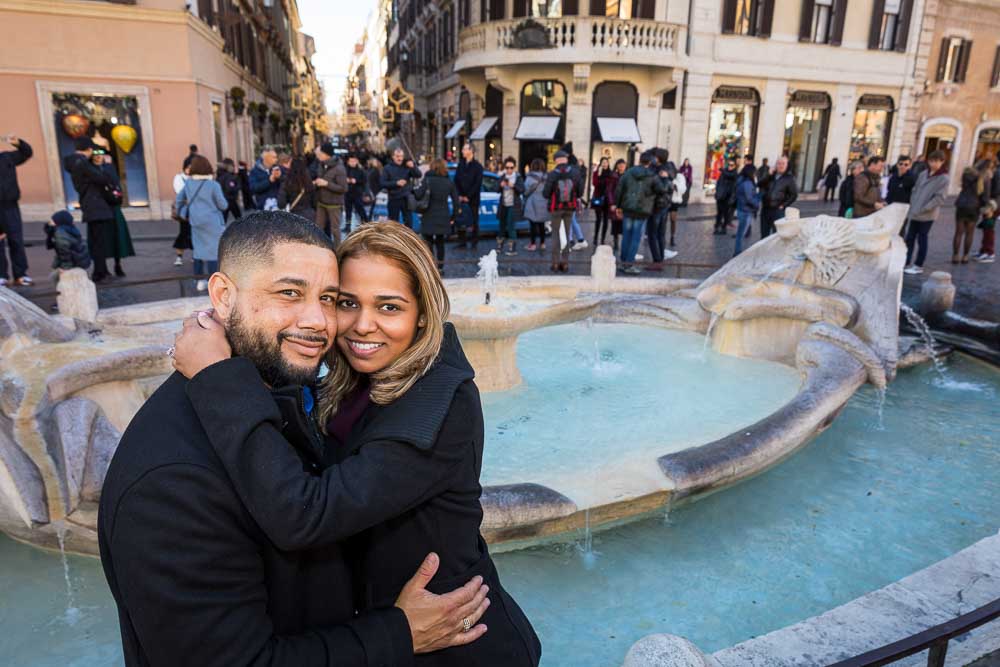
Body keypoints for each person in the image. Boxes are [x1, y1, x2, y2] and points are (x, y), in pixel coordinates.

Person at [101, 212, 492, 667]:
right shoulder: (170, 483)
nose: (320, 321)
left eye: (327, 298)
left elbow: (308, 512)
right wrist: (395, 634)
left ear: (423, 315)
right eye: (290, 293)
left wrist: (215, 375)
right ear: (223, 296)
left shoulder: (431, 401)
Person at [64, 137, 114, 282]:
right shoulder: (83, 163)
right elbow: (102, 179)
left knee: (97, 240)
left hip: (90, 205)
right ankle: (100, 273)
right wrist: (107, 166)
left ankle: (101, 271)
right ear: (89, 149)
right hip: (96, 206)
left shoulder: (74, 163)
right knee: (99, 242)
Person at [175, 155, 227, 292]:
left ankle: (199, 280)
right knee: (213, 252)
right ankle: (212, 281)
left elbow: (179, 199)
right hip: (213, 223)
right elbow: (223, 205)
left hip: (196, 221)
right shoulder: (213, 185)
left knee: (198, 251)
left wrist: (182, 213)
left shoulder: (188, 184)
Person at [614, 152, 665, 275]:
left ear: (640, 160)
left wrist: (619, 206)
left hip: (628, 208)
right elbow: (661, 190)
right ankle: (629, 264)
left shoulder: (629, 172)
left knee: (626, 236)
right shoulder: (653, 175)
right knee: (635, 238)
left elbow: (619, 189)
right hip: (642, 210)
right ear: (649, 162)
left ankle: (623, 263)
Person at [903, 150, 949, 275]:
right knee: (910, 238)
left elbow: (939, 198)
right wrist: (913, 204)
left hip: (927, 214)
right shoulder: (923, 174)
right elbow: (915, 189)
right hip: (915, 211)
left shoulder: (943, 178)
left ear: (942, 162)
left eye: (936, 161)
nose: (933, 164)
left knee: (922, 239)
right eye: (931, 161)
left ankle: (918, 265)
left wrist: (925, 208)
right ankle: (906, 262)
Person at [0, 133, 33, 287]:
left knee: (16, 240)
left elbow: (27, 153)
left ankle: (21, 275)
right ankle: (1, 276)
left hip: (10, 205)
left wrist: (19, 143)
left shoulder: (6, 158)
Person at [414, 158, 460, 271]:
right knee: (440, 242)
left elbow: (418, 195)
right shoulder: (448, 181)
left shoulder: (428, 180)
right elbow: (456, 201)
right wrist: (453, 217)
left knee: (428, 242)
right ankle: (440, 266)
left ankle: (430, 266)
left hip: (428, 215)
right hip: (443, 215)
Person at [542, 150, 583, 273]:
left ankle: (555, 264)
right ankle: (564, 263)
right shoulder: (575, 172)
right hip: (570, 208)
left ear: (556, 160)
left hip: (556, 208)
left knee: (556, 235)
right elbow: (580, 192)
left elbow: (545, 193)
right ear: (566, 159)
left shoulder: (552, 174)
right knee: (566, 234)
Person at [97, 147, 135, 278]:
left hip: (113, 208)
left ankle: (117, 264)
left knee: (116, 238)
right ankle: (104, 268)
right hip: (102, 208)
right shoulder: (94, 168)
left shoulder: (109, 168)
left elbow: (114, 182)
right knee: (104, 239)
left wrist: (108, 166)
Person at [954, 161, 991, 264]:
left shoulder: (966, 174)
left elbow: (963, 187)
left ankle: (955, 255)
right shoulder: (985, 178)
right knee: (969, 233)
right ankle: (965, 256)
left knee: (958, 232)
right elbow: (985, 196)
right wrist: (987, 207)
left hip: (961, 204)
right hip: (974, 207)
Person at [381, 148, 421, 229]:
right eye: (397, 156)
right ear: (393, 157)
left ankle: (407, 239)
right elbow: (382, 183)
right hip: (393, 198)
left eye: (401, 156)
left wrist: (413, 166)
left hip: (406, 198)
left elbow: (418, 175)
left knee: (408, 222)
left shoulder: (407, 166)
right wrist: (396, 183)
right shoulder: (387, 168)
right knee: (393, 223)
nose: (400, 158)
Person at [454, 144, 484, 248]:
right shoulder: (460, 164)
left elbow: (477, 184)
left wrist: (468, 196)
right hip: (461, 199)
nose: (462, 151)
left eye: (464, 149)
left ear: (471, 151)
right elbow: (456, 180)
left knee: (474, 220)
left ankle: (474, 241)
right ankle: (462, 241)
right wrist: (460, 195)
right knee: (461, 220)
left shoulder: (478, 166)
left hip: (473, 199)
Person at [760, 156, 797, 238]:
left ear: (787, 165)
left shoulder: (789, 178)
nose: (781, 165)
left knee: (776, 236)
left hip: (777, 211)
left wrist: (783, 205)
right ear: (775, 165)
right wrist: (768, 175)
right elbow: (760, 184)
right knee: (764, 235)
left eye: (783, 163)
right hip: (765, 209)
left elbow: (794, 195)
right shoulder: (771, 176)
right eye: (779, 163)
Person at [45, 209, 90, 274]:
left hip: (74, 262)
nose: (49, 222)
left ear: (59, 222)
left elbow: (64, 254)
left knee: (57, 277)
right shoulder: (68, 229)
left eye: (52, 220)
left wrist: (65, 269)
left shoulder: (60, 234)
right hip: (79, 260)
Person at [498, 156, 525, 256]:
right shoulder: (502, 176)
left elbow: (522, 189)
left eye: (511, 167)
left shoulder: (518, 177)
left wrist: (513, 186)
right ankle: (500, 246)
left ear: (514, 167)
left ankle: (512, 248)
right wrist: (500, 186)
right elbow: (496, 189)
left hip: (513, 205)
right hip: (503, 204)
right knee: (501, 225)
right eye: (507, 167)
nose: (509, 169)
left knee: (511, 226)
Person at [279, 157, 317, 223]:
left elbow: (281, 204)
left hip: (294, 217)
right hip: (310, 216)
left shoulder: (286, 183)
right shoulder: (309, 183)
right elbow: (315, 202)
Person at [523, 158, 549, 252]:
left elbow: (525, 189)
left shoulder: (530, 177)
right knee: (542, 224)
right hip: (543, 202)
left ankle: (533, 244)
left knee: (533, 225)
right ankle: (542, 243)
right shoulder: (547, 177)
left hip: (532, 202)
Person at [734, 164, 760, 256]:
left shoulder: (741, 180)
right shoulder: (747, 183)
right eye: (754, 172)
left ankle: (737, 252)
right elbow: (749, 198)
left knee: (740, 233)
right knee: (741, 234)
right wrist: (757, 201)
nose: (755, 174)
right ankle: (737, 253)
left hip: (742, 209)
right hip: (745, 210)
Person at [605, 159, 627, 252]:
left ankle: (624, 243)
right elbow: (609, 190)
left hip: (625, 203)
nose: (622, 166)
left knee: (625, 224)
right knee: (615, 223)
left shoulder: (628, 176)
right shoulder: (613, 176)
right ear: (617, 165)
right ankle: (616, 241)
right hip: (615, 202)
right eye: (620, 164)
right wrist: (611, 203)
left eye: (623, 164)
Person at [344, 153, 370, 231]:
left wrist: (356, 181)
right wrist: (346, 180)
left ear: (357, 161)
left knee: (360, 210)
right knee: (348, 211)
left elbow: (365, 181)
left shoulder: (361, 170)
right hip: (347, 193)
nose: (352, 163)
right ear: (348, 162)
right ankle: (347, 226)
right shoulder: (345, 169)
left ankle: (366, 224)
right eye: (351, 161)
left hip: (357, 193)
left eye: (354, 161)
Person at [713, 160, 738, 235]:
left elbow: (729, 175)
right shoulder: (724, 173)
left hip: (728, 197)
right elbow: (719, 183)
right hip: (720, 196)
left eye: (732, 165)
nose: (730, 166)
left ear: (734, 166)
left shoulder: (734, 174)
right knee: (719, 213)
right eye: (729, 165)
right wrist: (717, 192)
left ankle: (724, 228)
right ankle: (717, 227)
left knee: (725, 214)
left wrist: (722, 170)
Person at [592, 157, 612, 246]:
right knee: (598, 219)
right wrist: (598, 173)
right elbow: (594, 183)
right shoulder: (597, 172)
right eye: (603, 162)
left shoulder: (611, 173)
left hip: (607, 199)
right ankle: (595, 237)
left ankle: (603, 238)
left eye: (606, 162)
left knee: (606, 220)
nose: (604, 164)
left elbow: (611, 185)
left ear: (608, 163)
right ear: (600, 163)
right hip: (598, 198)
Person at [217, 158, 242, 223]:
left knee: (223, 220)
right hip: (230, 200)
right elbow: (230, 188)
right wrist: (237, 186)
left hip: (223, 199)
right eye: (233, 166)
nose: (234, 167)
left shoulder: (219, 175)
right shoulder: (229, 176)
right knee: (239, 219)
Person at [974, 199, 997, 264]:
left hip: (989, 233)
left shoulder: (991, 219)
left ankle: (990, 254)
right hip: (986, 232)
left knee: (988, 242)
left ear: (991, 210)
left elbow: (988, 223)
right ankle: (983, 251)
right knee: (984, 241)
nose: (985, 210)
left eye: (987, 208)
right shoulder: (987, 217)